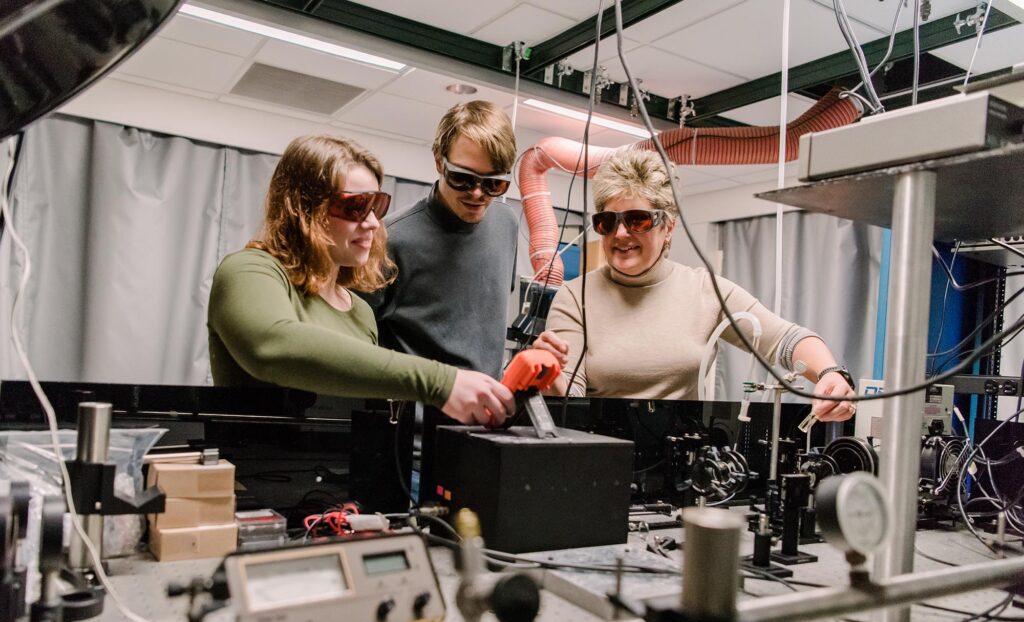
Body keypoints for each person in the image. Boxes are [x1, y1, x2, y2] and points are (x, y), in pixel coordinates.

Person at [207, 134, 514, 425]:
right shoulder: (249, 271)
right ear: (304, 209)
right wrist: (441, 382)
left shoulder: (359, 311)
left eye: (375, 206)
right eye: (355, 207)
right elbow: (273, 347)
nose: (371, 223)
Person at [532, 148, 855, 422]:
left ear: (668, 227)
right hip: (597, 456)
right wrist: (547, 374)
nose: (620, 234)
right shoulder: (575, 297)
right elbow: (569, 400)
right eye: (608, 222)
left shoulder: (704, 291)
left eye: (638, 220)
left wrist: (830, 375)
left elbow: (785, 339)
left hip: (680, 463)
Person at [361, 100, 518, 379]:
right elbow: (357, 344)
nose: (478, 194)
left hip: (487, 413)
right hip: (417, 411)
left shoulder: (507, 223)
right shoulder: (388, 239)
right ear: (438, 161)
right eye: (462, 178)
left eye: (494, 183)